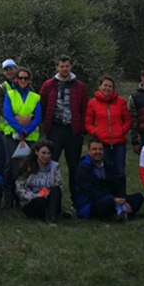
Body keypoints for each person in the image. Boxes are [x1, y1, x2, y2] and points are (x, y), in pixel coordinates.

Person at [39, 55, 87, 208]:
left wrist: (81, 128)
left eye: (67, 66)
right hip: (55, 128)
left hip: (73, 130)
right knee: (50, 163)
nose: (64, 69)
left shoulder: (79, 86)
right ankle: (46, 197)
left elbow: (84, 107)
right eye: (62, 66)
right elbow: (43, 105)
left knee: (74, 166)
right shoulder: (48, 85)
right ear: (57, 67)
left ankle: (76, 200)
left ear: (71, 67)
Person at [1, 66, 42, 207]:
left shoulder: (35, 97)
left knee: (27, 167)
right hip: (12, 135)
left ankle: (22, 197)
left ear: (30, 80)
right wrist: (20, 129)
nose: (23, 80)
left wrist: (27, 131)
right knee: (10, 166)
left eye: (26, 78)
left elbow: (37, 117)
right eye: (21, 78)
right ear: (16, 80)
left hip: (29, 137)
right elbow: (7, 114)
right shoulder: (10, 94)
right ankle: (8, 196)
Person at [75, 139, 144, 221]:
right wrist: (112, 199)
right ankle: (121, 213)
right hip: (91, 202)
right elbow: (90, 192)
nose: (98, 152)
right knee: (106, 203)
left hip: (110, 198)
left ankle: (120, 212)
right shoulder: (83, 168)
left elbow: (115, 184)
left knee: (139, 197)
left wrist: (122, 199)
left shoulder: (108, 165)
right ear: (88, 151)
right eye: (94, 149)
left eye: (100, 149)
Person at [85, 75, 132, 191]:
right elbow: (88, 122)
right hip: (102, 142)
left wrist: (122, 130)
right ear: (100, 86)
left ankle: (121, 197)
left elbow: (127, 120)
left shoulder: (121, 102)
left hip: (119, 142)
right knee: (104, 170)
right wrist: (95, 132)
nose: (107, 88)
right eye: (105, 85)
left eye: (110, 86)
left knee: (120, 171)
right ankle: (107, 197)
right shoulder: (92, 103)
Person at [14, 139, 63, 224]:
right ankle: (48, 215)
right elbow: (19, 188)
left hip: (48, 198)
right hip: (31, 200)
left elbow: (58, 185)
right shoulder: (27, 166)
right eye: (43, 153)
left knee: (56, 190)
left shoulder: (55, 167)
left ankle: (52, 217)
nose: (46, 156)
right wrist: (36, 195)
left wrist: (47, 194)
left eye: (49, 153)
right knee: (39, 202)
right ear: (36, 152)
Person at [0, 58, 18, 133]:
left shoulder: (25, 86)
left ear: (16, 69)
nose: (9, 71)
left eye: (11, 69)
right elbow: (1, 109)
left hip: (24, 128)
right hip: (6, 130)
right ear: (3, 72)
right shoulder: (0, 89)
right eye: (6, 70)